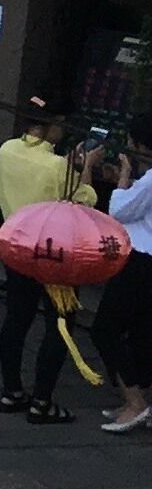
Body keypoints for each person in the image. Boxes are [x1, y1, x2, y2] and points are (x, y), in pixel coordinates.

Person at [0, 97, 91, 419]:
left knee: (16, 319)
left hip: (17, 247)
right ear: (49, 125)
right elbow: (83, 201)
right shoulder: (56, 164)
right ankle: (42, 400)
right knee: (59, 324)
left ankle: (11, 391)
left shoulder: (6, 149)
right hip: (54, 256)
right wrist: (84, 169)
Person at [102, 144, 152, 434]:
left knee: (105, 329)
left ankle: (134, 401)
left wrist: (122, 179)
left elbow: (118, 211)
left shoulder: (149, 180)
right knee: (141, 331)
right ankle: (139, 398)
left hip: (139, 260)